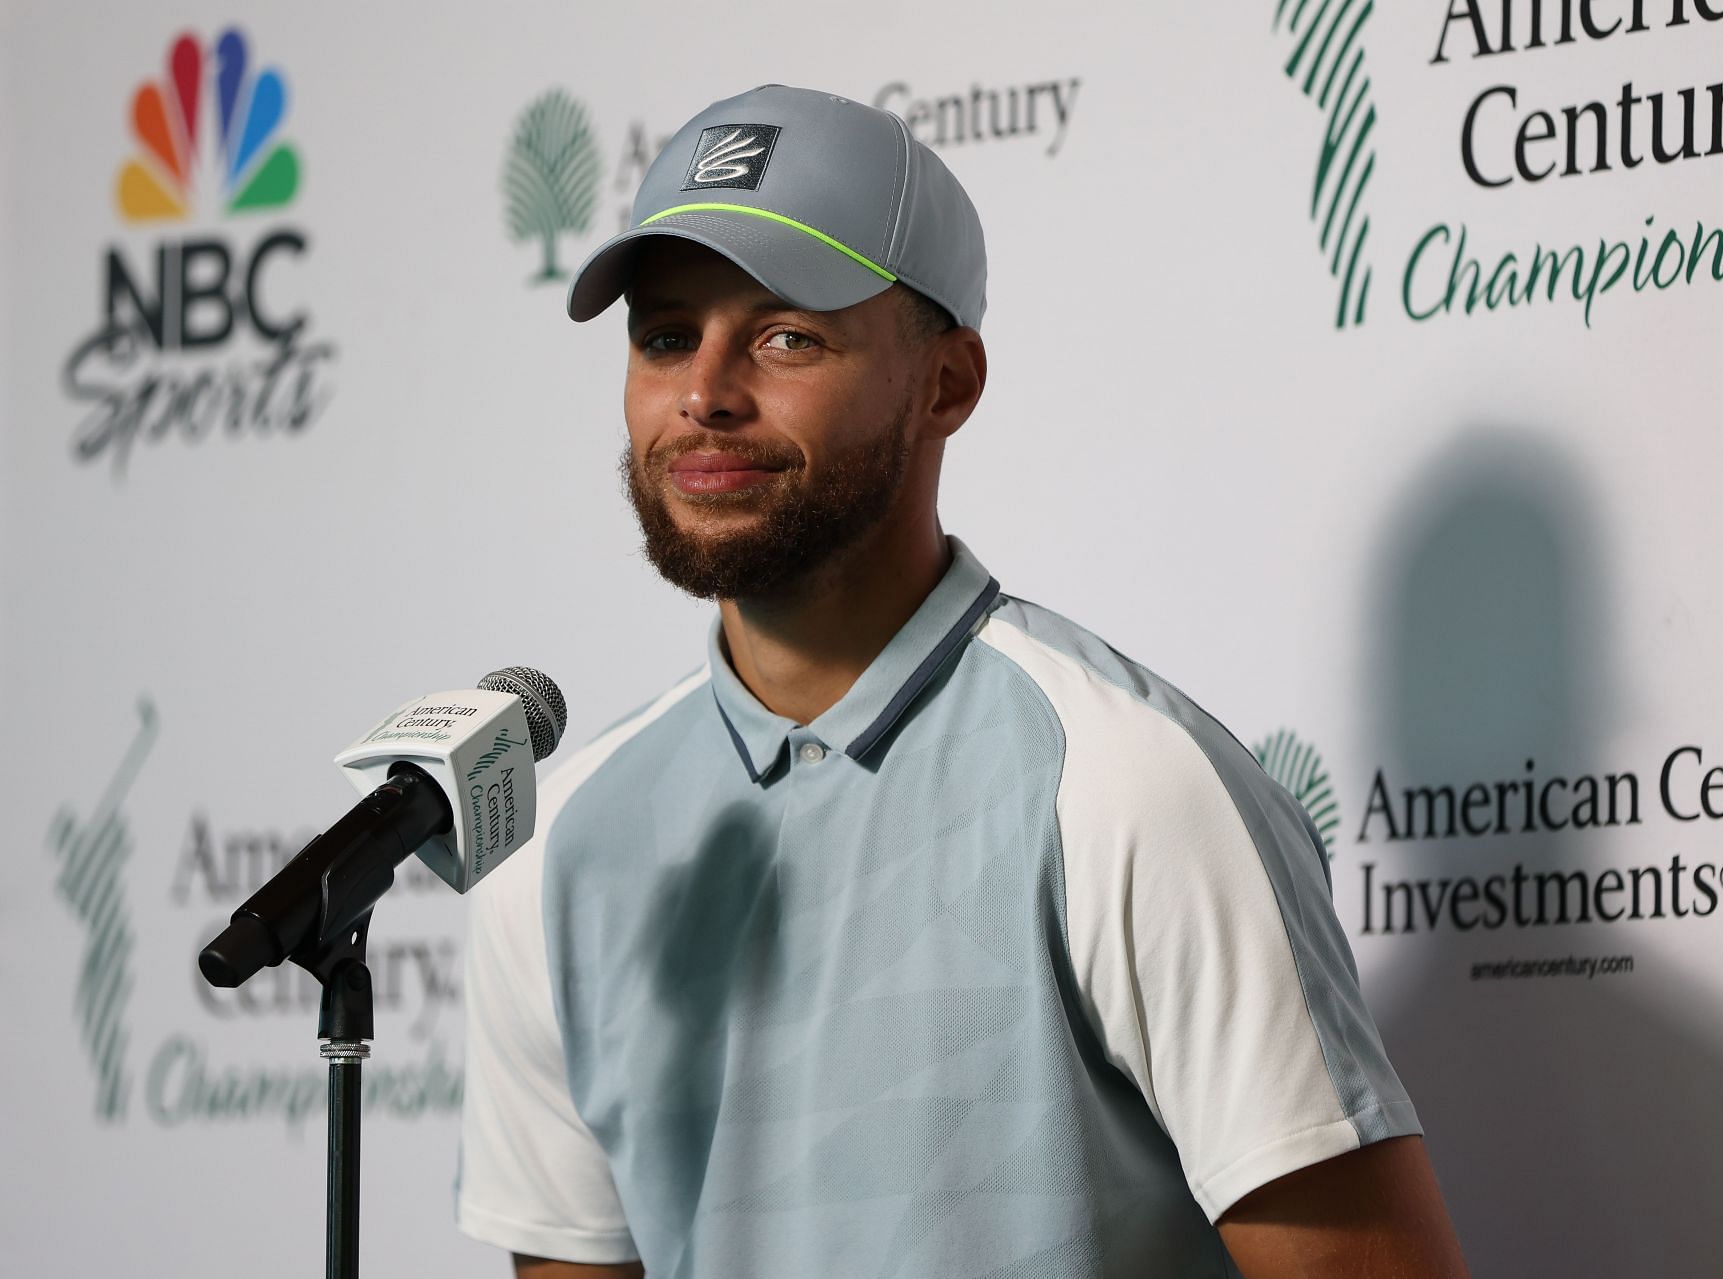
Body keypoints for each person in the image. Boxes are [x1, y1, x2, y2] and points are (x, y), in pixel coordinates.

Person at [456, 84, 1470, 1278]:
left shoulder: (1129, 790)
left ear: (948, 382)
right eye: (666, 334)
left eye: (787, 336)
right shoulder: (555, 845)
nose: (705, 393)